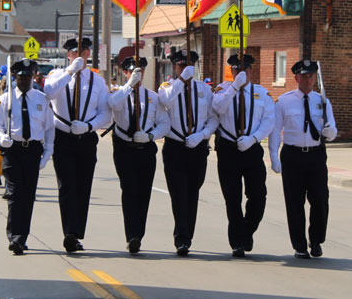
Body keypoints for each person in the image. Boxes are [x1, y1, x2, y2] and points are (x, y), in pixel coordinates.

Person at [44, 37, 111, 253]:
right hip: (62, 137)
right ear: (68, 55)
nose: (80, 56)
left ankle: (77, 232)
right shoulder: (57, 75)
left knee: (83, 187)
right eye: (75, 52)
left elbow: (105, 114)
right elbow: (48, 92)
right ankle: (69, 233)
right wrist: (70, 72)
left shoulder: (97, 81)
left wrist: (89, 126)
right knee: (67, 186)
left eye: (83, 52)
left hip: (86, 138)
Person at [269, 60, 337, 259]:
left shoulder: (323, 101)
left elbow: (332, 130)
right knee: (294, 202)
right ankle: (299, 245)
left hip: (315, 155)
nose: (307, 80)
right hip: (292, 155)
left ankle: (316, 240)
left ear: (315, 78)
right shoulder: (284, 101)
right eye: (303, 76)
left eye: (310, 76)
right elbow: (275, 130)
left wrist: (330, 131)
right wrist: (274, 155)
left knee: (320, 200)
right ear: (296, 77)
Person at [212, 54, 274, 257]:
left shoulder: (261, 94)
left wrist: (254, 138)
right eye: (236, 70)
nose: (241, 74)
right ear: (232, 72)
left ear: (251, 71)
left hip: (252, 148)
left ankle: (247, 231)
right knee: (233, 198)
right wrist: (234, 87)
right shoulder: (223, 90)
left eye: (244, 70)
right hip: (228, 148)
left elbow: (268, 121)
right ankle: (237, 242)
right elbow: (218, 108)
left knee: (258, 196)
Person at [0, 59, 54, 255]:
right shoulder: (5, 100)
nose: (24, 80)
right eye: (20, 77)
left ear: (33, 76)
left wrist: (47, 152)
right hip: (12, 150)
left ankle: (22, 236)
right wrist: (1, 138)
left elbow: (49, 127)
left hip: (32, 150)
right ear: (14, 78)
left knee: (28, 196)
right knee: (15, 194)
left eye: (27, 76)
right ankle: (15, 237)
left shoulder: (41, 99)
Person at [158, 50, 219, 256]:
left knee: (192, 193)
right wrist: (181, 80)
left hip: (197, 148)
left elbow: (213, 119)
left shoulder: (204, 90)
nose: (185, 69)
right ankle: (181, 238)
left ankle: (187, 236)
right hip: (175, 147)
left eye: (189, 66)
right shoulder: (168, 87)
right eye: (181, 66)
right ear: (175, 67)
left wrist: (202, 135)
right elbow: (165, 101)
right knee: (178, 194)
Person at [108, 56, 170, 254]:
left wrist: (151, 136)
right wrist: (129, 85)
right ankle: (131, 234)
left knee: (143, 193)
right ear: (125, 72)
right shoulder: (120, 93)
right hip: (124, 149)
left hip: (145, 149)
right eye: (133, 71)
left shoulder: (152, 97)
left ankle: (138, 236)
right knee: (130, 190)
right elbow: (113, 105)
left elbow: (164, 123)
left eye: (141, 71)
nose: (138, 75)